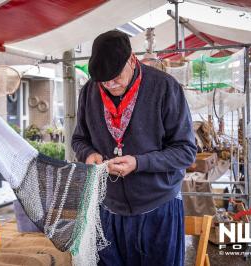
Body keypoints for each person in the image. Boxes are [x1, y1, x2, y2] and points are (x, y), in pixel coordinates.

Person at [71, 30, 197, 266]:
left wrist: (140, 163)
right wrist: (89, 155)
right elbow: (79, 139)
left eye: (115, 76)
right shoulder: (89, 92)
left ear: (131, 59)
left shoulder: (164, 87)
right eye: (103, 79)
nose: (110, 84)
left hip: (157, 208)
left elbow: (186, 151)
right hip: (108, 210)